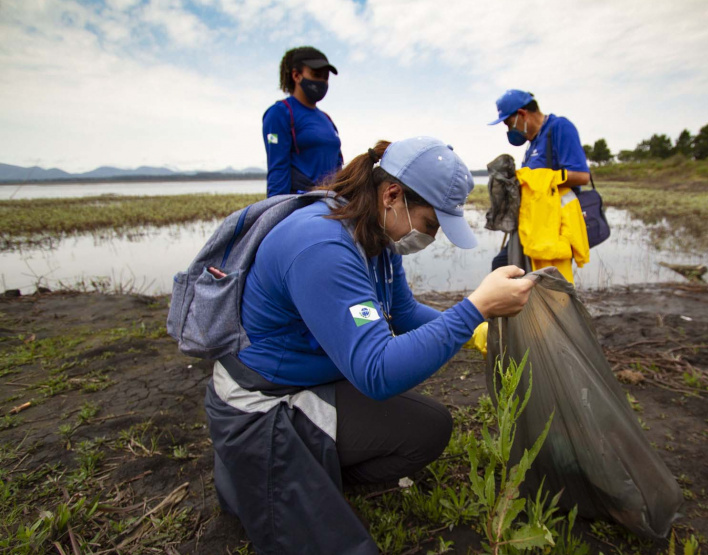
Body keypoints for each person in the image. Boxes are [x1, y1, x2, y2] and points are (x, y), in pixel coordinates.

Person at [205, 136, 536, 554]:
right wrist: (474, 309)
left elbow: (402, 311)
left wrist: (478, 333)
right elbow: (377, 373)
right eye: (431, 224)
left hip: (315, 380)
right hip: (263, 401)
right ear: (392, 195)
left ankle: (310, 472)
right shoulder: (321, 246)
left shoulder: (375, 234)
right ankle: (258, 471)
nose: (430, 238)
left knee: (429, 427)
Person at [488, 90, 591, 280]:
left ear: (522, 114)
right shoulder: (533, 143)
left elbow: (582, 176)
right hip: (530, 224)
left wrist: (538, 177)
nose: (509, 130)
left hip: (551, 226)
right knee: (503, 266)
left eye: (508, 123)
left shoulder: (559, 128)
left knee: (546, 285)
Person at [263, 46, 343, 197]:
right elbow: (278, 170)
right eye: (316, 74)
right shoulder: (280, 113)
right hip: (302, 204)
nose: (322, 81)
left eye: (326, 77)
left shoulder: (326, 119)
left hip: (331, 203)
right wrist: (275, 213)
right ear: (296, 75)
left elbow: (338, 166)